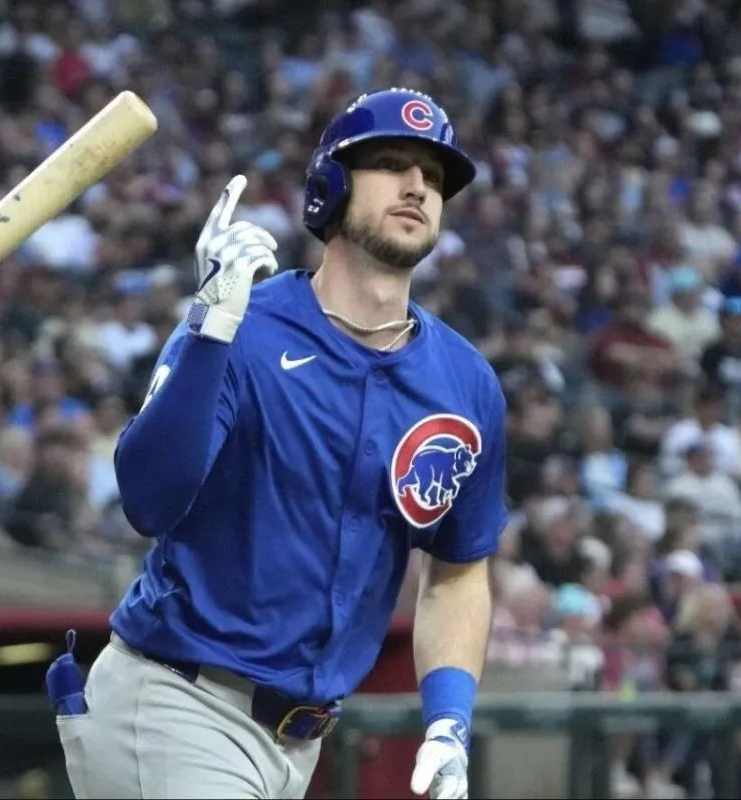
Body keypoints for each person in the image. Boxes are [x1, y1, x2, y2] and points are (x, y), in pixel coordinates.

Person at [50, 89, 507, 800]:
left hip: (299, 742)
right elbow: (146, 501)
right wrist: (208, 330)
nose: (417, 184)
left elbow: (457, 570)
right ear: (329, 185)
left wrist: (447, 720)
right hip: (177, 703)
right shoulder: (242, 325)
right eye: (390, 163)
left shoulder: (464, 383)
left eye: (434, 175)